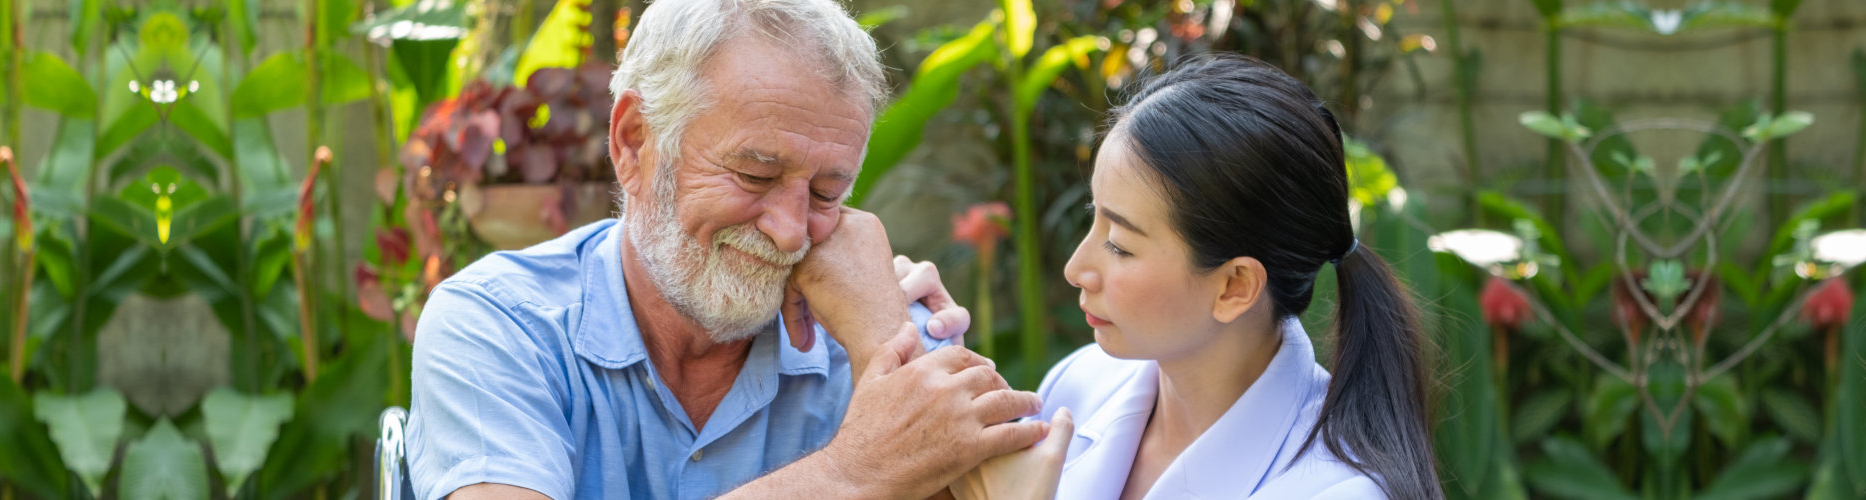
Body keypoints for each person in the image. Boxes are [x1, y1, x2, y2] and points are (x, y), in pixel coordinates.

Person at [403, 0, 1051, 497]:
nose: (792, 230)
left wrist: (888, 344)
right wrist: (855, 474)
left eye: (828, 192)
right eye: (756, 175)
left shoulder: (869, 326)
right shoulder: (497, 322)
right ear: (633, 142)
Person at [944, 54, 1442, 500]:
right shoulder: (1081, 381)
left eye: (1119, 244)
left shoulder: (1338, 492)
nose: (1076, 269)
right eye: (1095, 217)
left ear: (1234, 287)